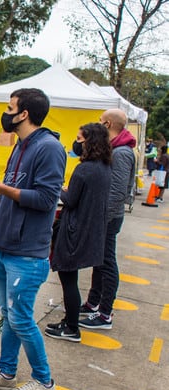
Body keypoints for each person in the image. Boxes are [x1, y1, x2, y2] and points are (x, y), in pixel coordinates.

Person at [0, 88, 66, 390]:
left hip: (27, 254)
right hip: (5, 247)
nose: (5, 114)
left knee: (21, 318)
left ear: (24, 114)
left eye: (10, 108)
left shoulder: (49, 148)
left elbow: (48, 199)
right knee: (9, 317)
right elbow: (9, 197)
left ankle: (44, 382)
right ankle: (6, 373)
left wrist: (2, 188)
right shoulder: (20, 146)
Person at [45, 123, 112, 342]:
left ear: (89, 142)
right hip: (90, 228)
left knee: (68, 278)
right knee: (69, 277)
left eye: (79, 139)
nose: (76, 143)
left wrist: (62, 191)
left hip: (75, 230)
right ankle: (69, 321)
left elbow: (72, 199)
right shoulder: (104, 166)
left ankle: (72, 326)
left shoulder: (84, 169)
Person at [77, 109, 137, 330]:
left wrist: (101, 219)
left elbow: (117, 192)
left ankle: (104, 313)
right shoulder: (117, 149)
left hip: (108, 218)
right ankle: (93, 303)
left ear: (108, 123)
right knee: (99, 261)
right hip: (104, 216)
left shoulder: (122, 153)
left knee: (107, 262)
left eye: (100, 122)